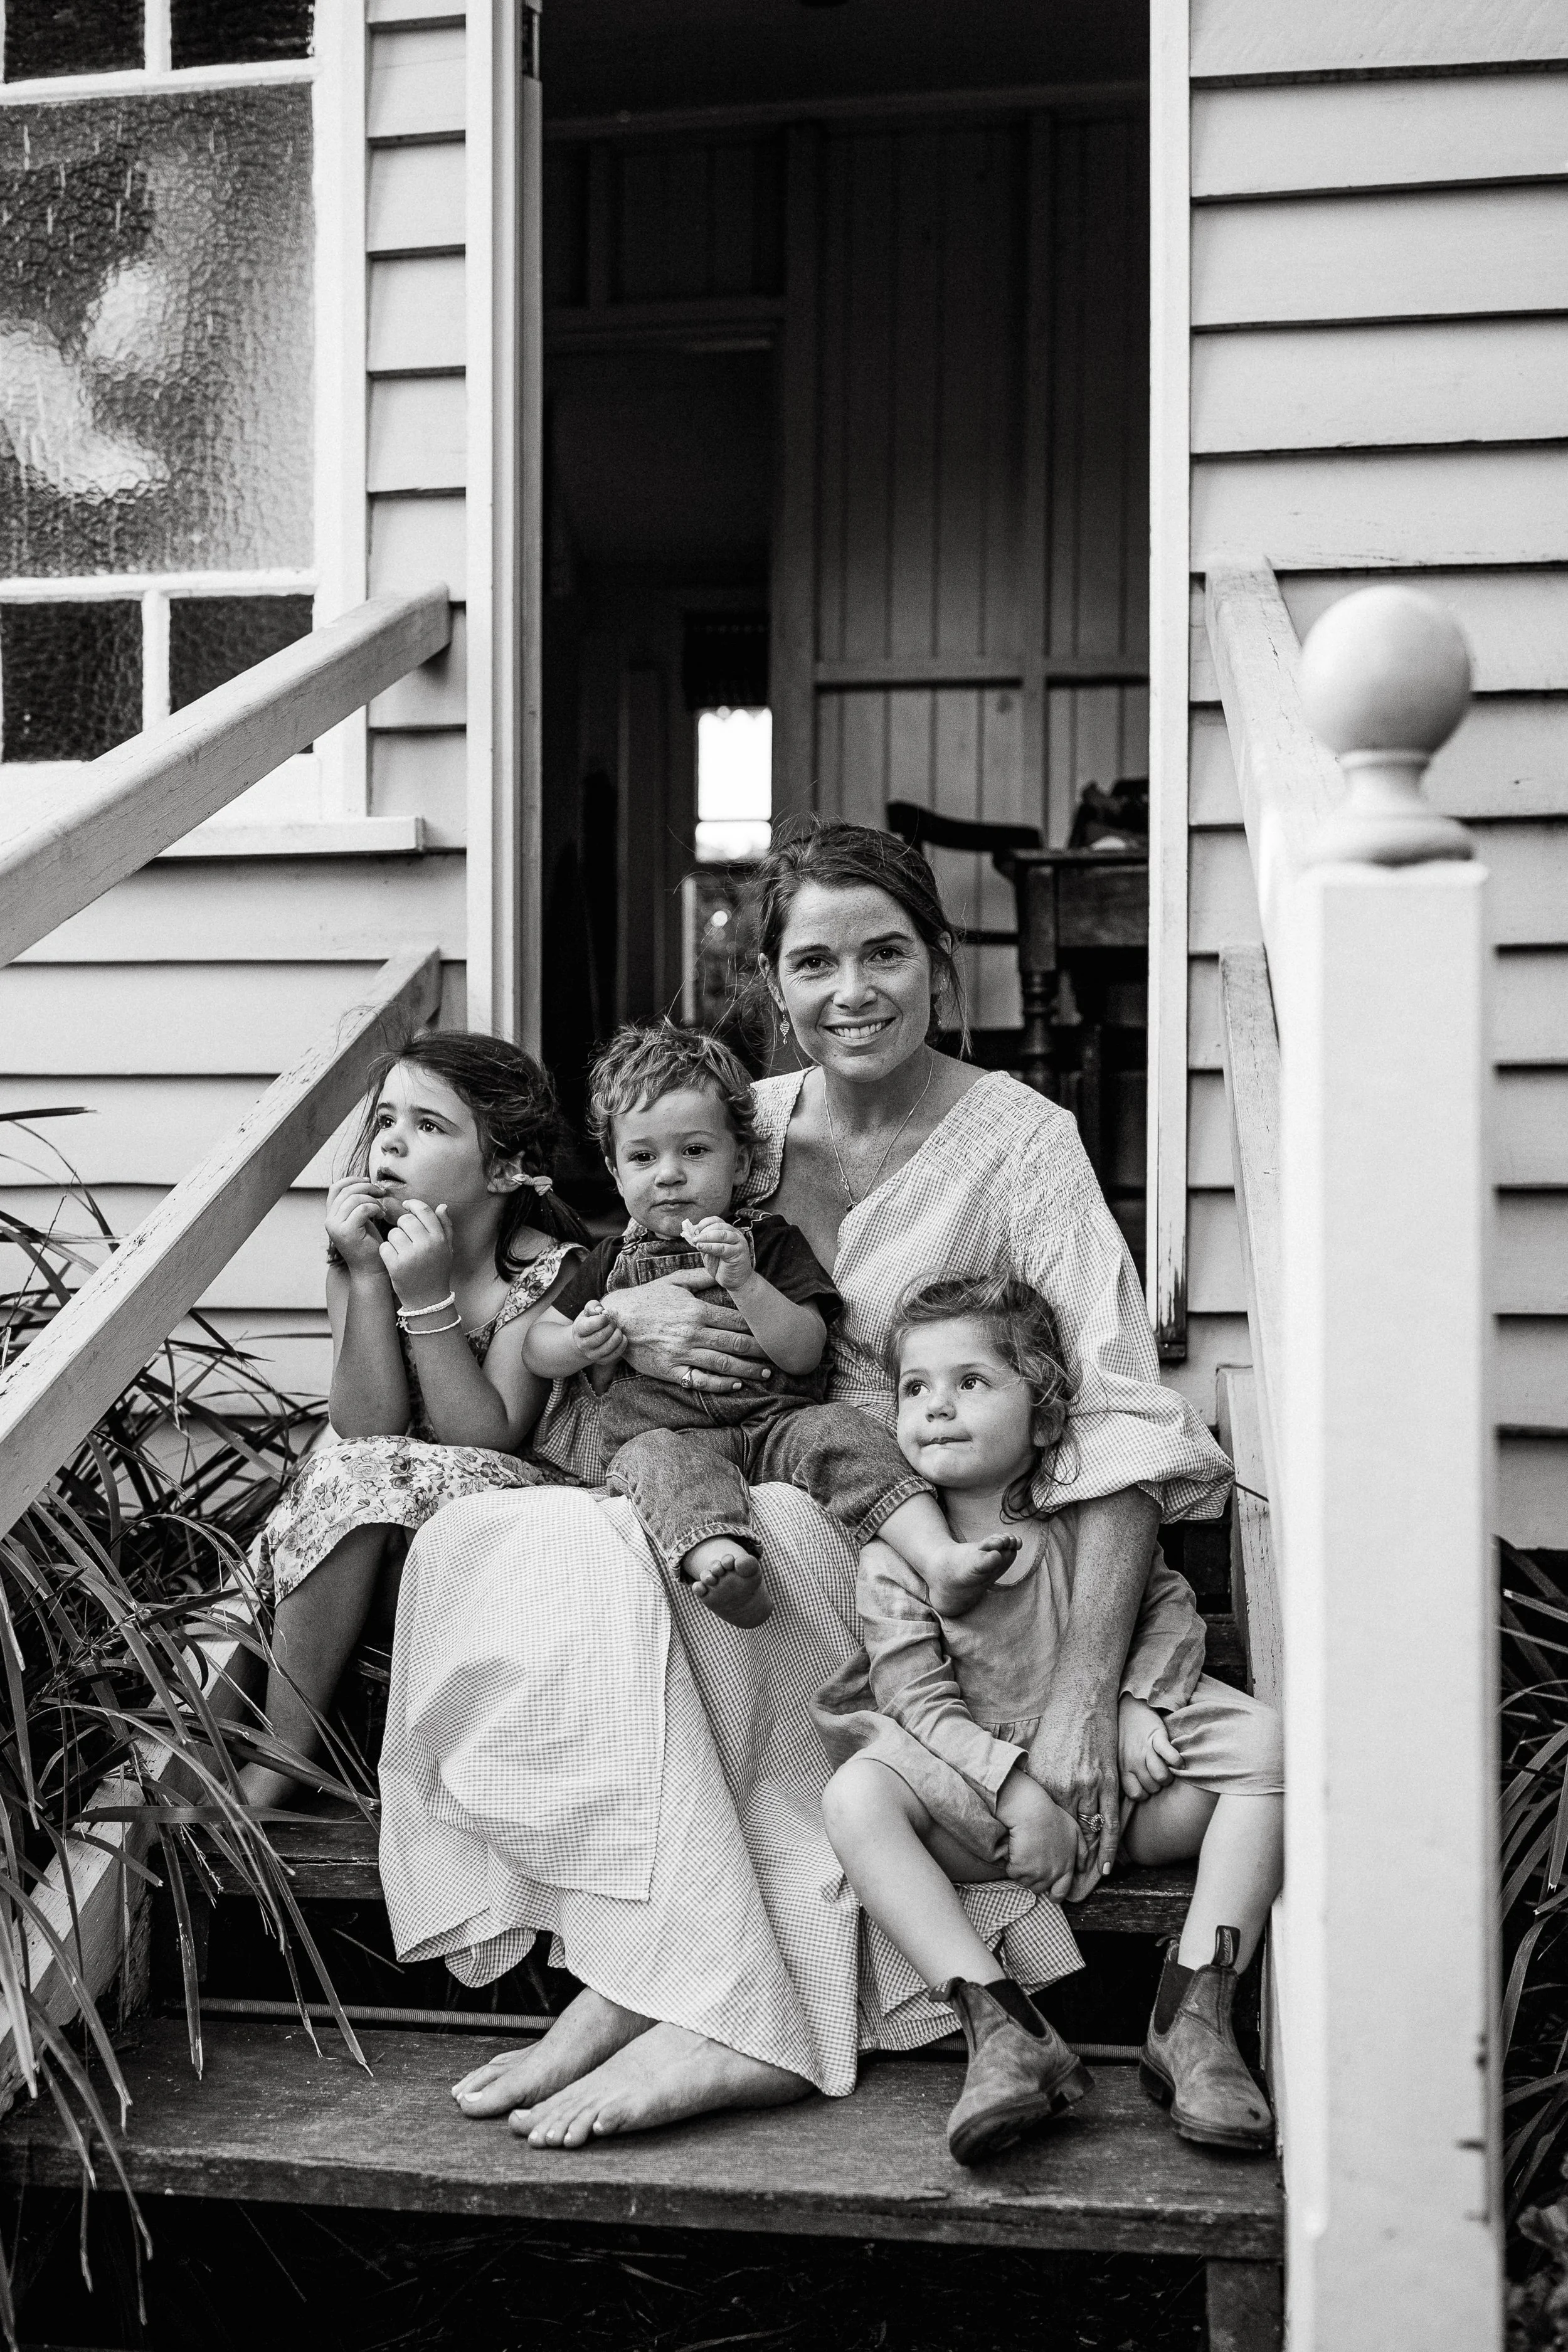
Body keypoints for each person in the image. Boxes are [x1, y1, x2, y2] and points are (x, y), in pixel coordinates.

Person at [378, 817, 1236, 2150]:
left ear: (939, 965)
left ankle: (720, 2010)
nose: (853, 993)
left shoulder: (1022, 1144)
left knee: (743, 1528)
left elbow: (1118, 1420)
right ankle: (642, 1965)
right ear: (771, 985)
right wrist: (616, 1322)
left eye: (886, 953)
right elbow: (586, 1248)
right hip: (720, 1485)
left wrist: (1079, 1695)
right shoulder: (740, 1125)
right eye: (816, 963)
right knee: (511, 1534)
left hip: (911, 1534)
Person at [818, 1275, 1281, 2163]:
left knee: (1271, 1748)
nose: (937, 1407)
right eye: (916, 1387)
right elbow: (916, 1703)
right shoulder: (896, 1556)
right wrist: (1016, 1790)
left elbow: (1167, 1600)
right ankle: (1003, 2029)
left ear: (1042, 1416)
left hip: (1130, 1795)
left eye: (971, 1382)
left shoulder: (1082, 1516)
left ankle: (1194, 2014)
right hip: (988, 1812)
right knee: (856, 1799)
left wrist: (1141, 1700)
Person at [524, 1021, 1024, 1629]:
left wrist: (746, 1282)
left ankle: (938, 1556)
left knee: (843, 1432)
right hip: (670, 1435)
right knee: (654, 1463)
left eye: (696, 1151)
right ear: (615, 1171)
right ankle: (724, 1564)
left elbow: (804, 1352)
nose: (669, 1174)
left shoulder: (770, 1243)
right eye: (643, 1157)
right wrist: (580, 1342)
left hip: (777, 1424)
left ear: (742, 1164)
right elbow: (537, 1349)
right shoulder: (608, 1262)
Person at [239, 1036, 586, 1811]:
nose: (392, 1141)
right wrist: (367, 1278)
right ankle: (191, 1737)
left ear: (505, 1167)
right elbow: (367, 1424)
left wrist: (426, 1299)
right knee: (315, 1501)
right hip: (382, 1499)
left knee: (347, 1479)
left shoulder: (542, 1270)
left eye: (430, 1126)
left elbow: (490, 1433)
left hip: (503, 1504)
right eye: (386, 1120)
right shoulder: (363, 1255)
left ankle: (284, 1752)